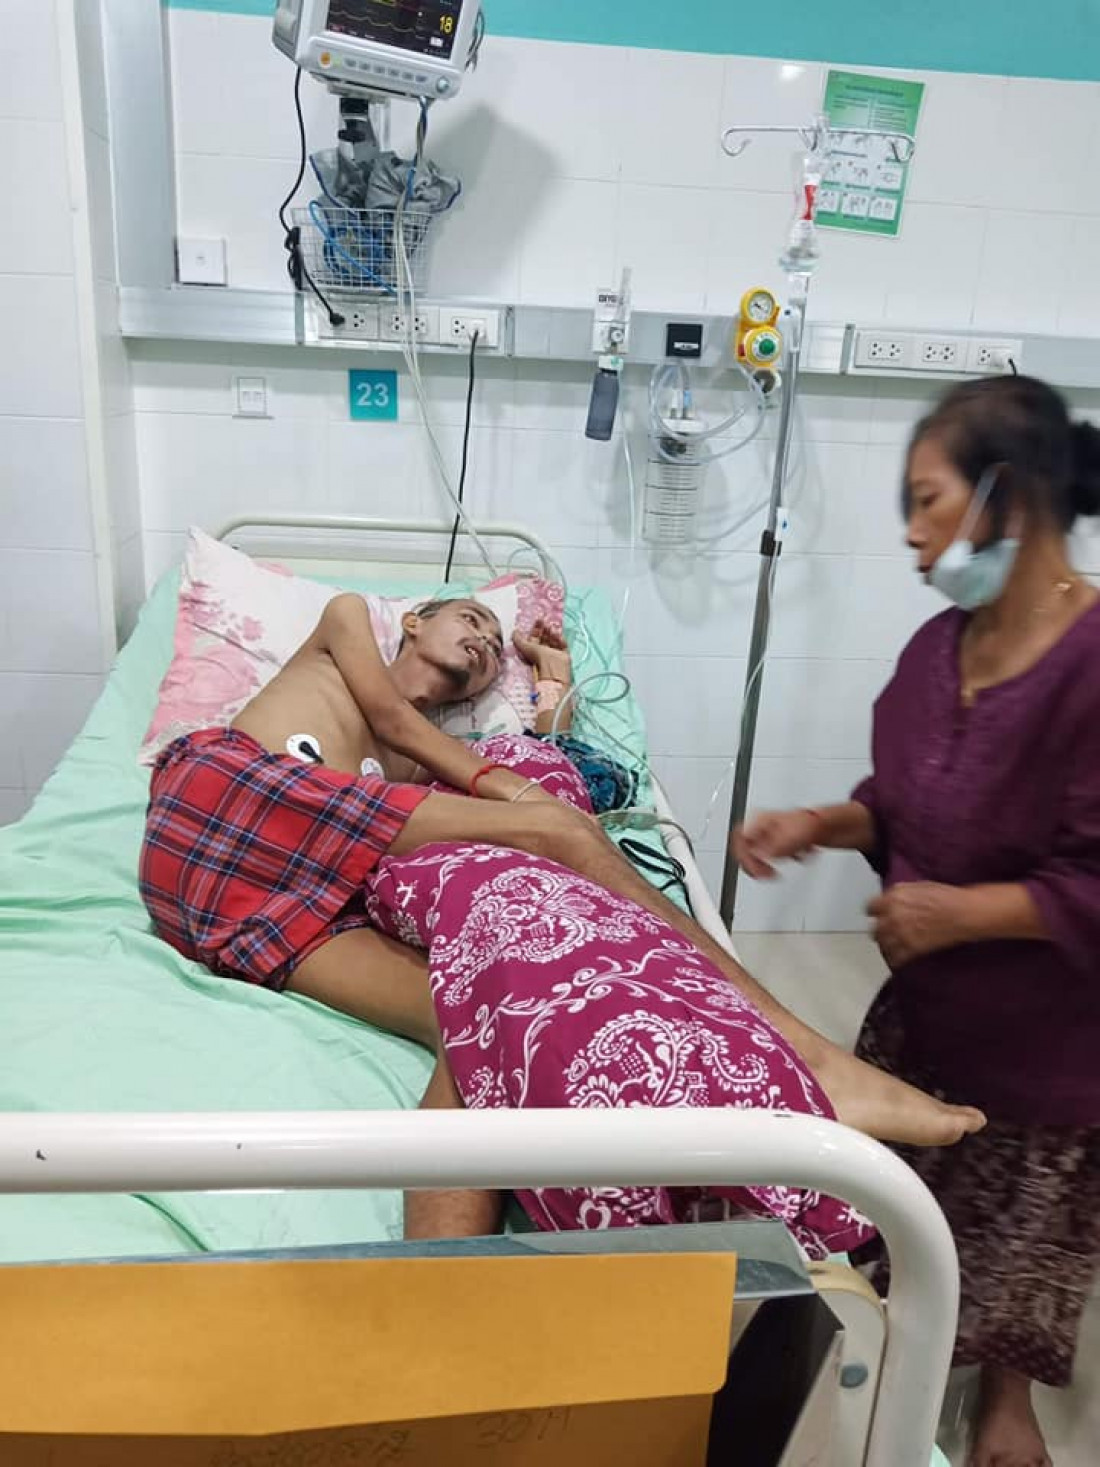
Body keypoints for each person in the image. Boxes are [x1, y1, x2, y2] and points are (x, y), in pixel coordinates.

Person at [139, 590, 984, 1154]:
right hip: (218, 803)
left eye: (490, 645)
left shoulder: (412, 777)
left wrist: (552, 683)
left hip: (240, 911)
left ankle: (431, 1284)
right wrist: (532, 808)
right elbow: (395, 718)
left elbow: (501, 754)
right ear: (414, 620)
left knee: (471, 1017)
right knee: (560, 832)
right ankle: (809, 1052)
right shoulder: (348, 619)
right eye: (468, 617)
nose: (481, 639)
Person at [733, 375, 1100, 1467]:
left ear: (1008, 496)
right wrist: (821, 822)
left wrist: (965, 912)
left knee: (1024, 1235)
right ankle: (881, 1356)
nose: (909, 531)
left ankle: (1003, 1397)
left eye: (927, 499)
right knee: (895, 1202)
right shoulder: (939, 648)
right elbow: (903, 803)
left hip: (1051, 1044)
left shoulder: (1090, 668)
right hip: (923, 1019)